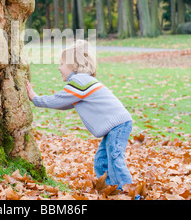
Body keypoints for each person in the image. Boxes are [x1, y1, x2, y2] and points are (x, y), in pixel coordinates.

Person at [26, 39, 133, 190]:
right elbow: (66, 102)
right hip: (116, 125)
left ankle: (131, 194)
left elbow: (59, 99)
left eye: (62, 64)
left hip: (118, 125)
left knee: (115, 159)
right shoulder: (83, 82)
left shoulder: (80, 81)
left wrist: (36, 99)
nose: (59, 68)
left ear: (73, 65)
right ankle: (112, 189)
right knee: (101, 161)